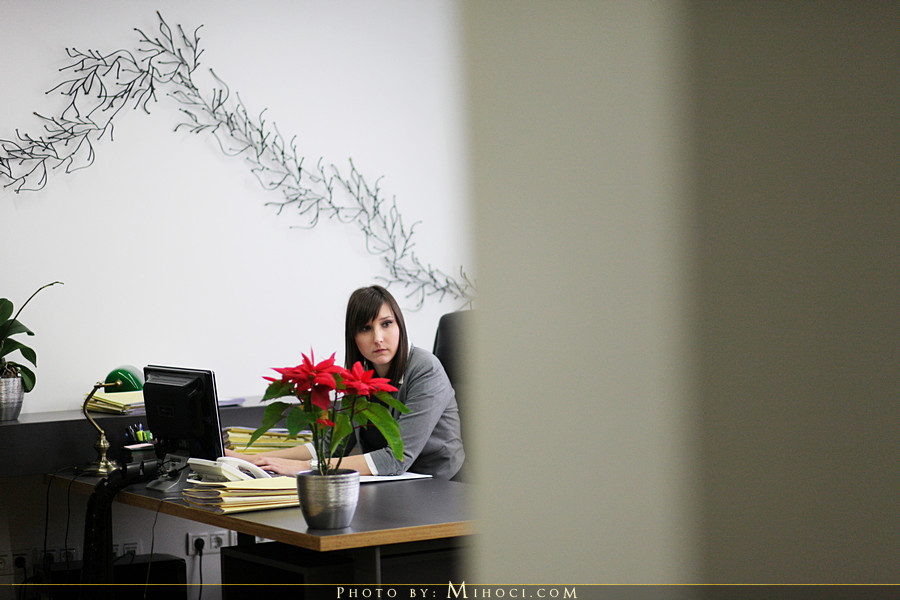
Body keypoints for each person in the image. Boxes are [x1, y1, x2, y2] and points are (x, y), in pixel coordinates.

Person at [227, 285, 465, 480]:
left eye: (386, 324)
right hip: (392, 486)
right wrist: (256, 460)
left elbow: (396, 459)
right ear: (354, 338)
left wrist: (302, 468)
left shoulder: (426, 370)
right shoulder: (359, 375)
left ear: (400, 325)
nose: (378, 338)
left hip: (441, 489)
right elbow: (332, 446)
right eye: (366, 328)